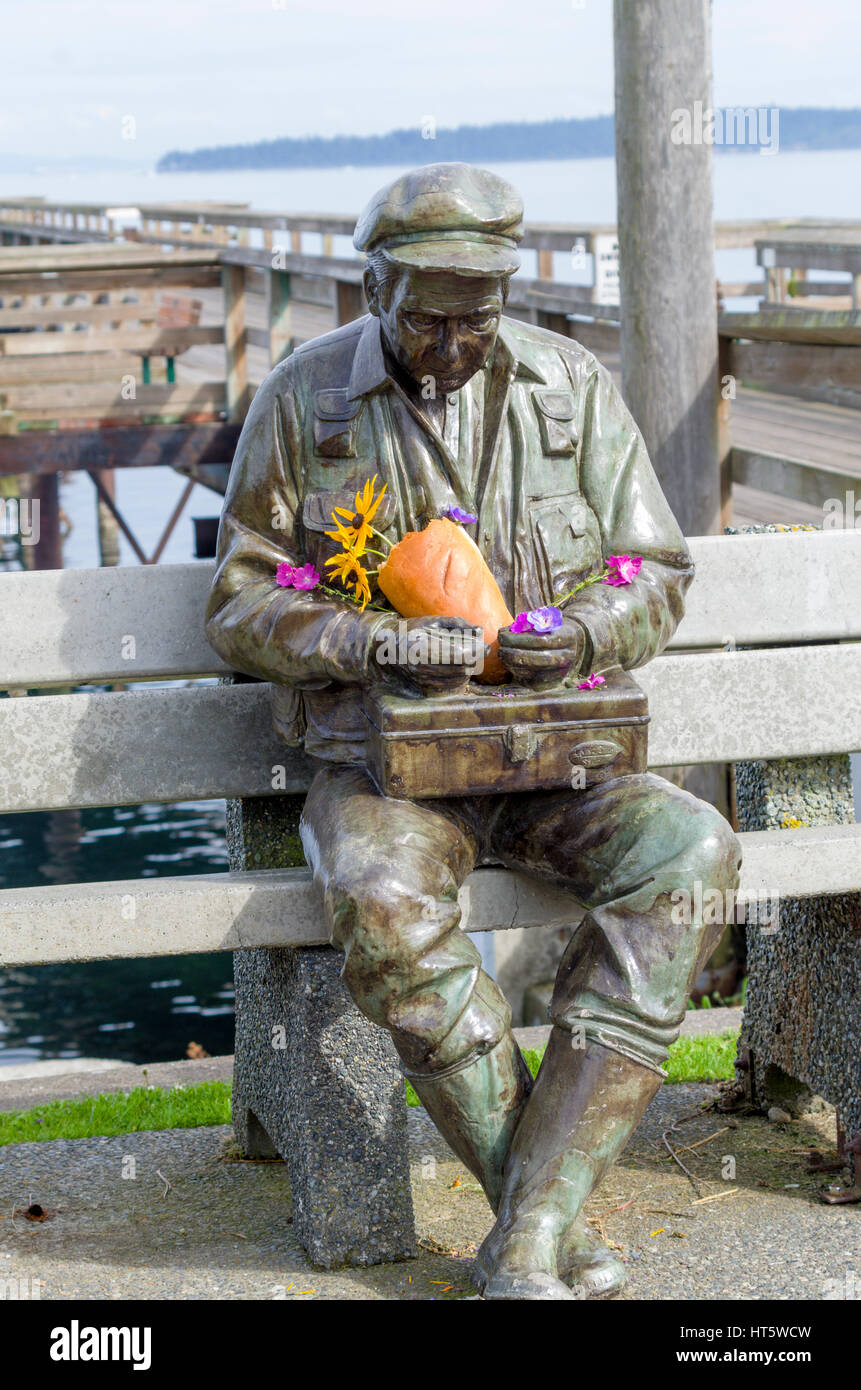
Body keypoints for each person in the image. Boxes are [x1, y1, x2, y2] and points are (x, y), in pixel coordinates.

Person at [205, 163, 741, 1300]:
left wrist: (589, 628)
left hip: (558, 761)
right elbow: (241, 601)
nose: (453, 343)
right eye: (427, 318)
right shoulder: (305, 404)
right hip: (383, 773)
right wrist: (368, 643)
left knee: (694, 855)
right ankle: (543, 1225)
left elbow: (657, 567)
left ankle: (530, 1230)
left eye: (477, 318)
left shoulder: (570, 386)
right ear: (373, 290)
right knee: (387, 903)